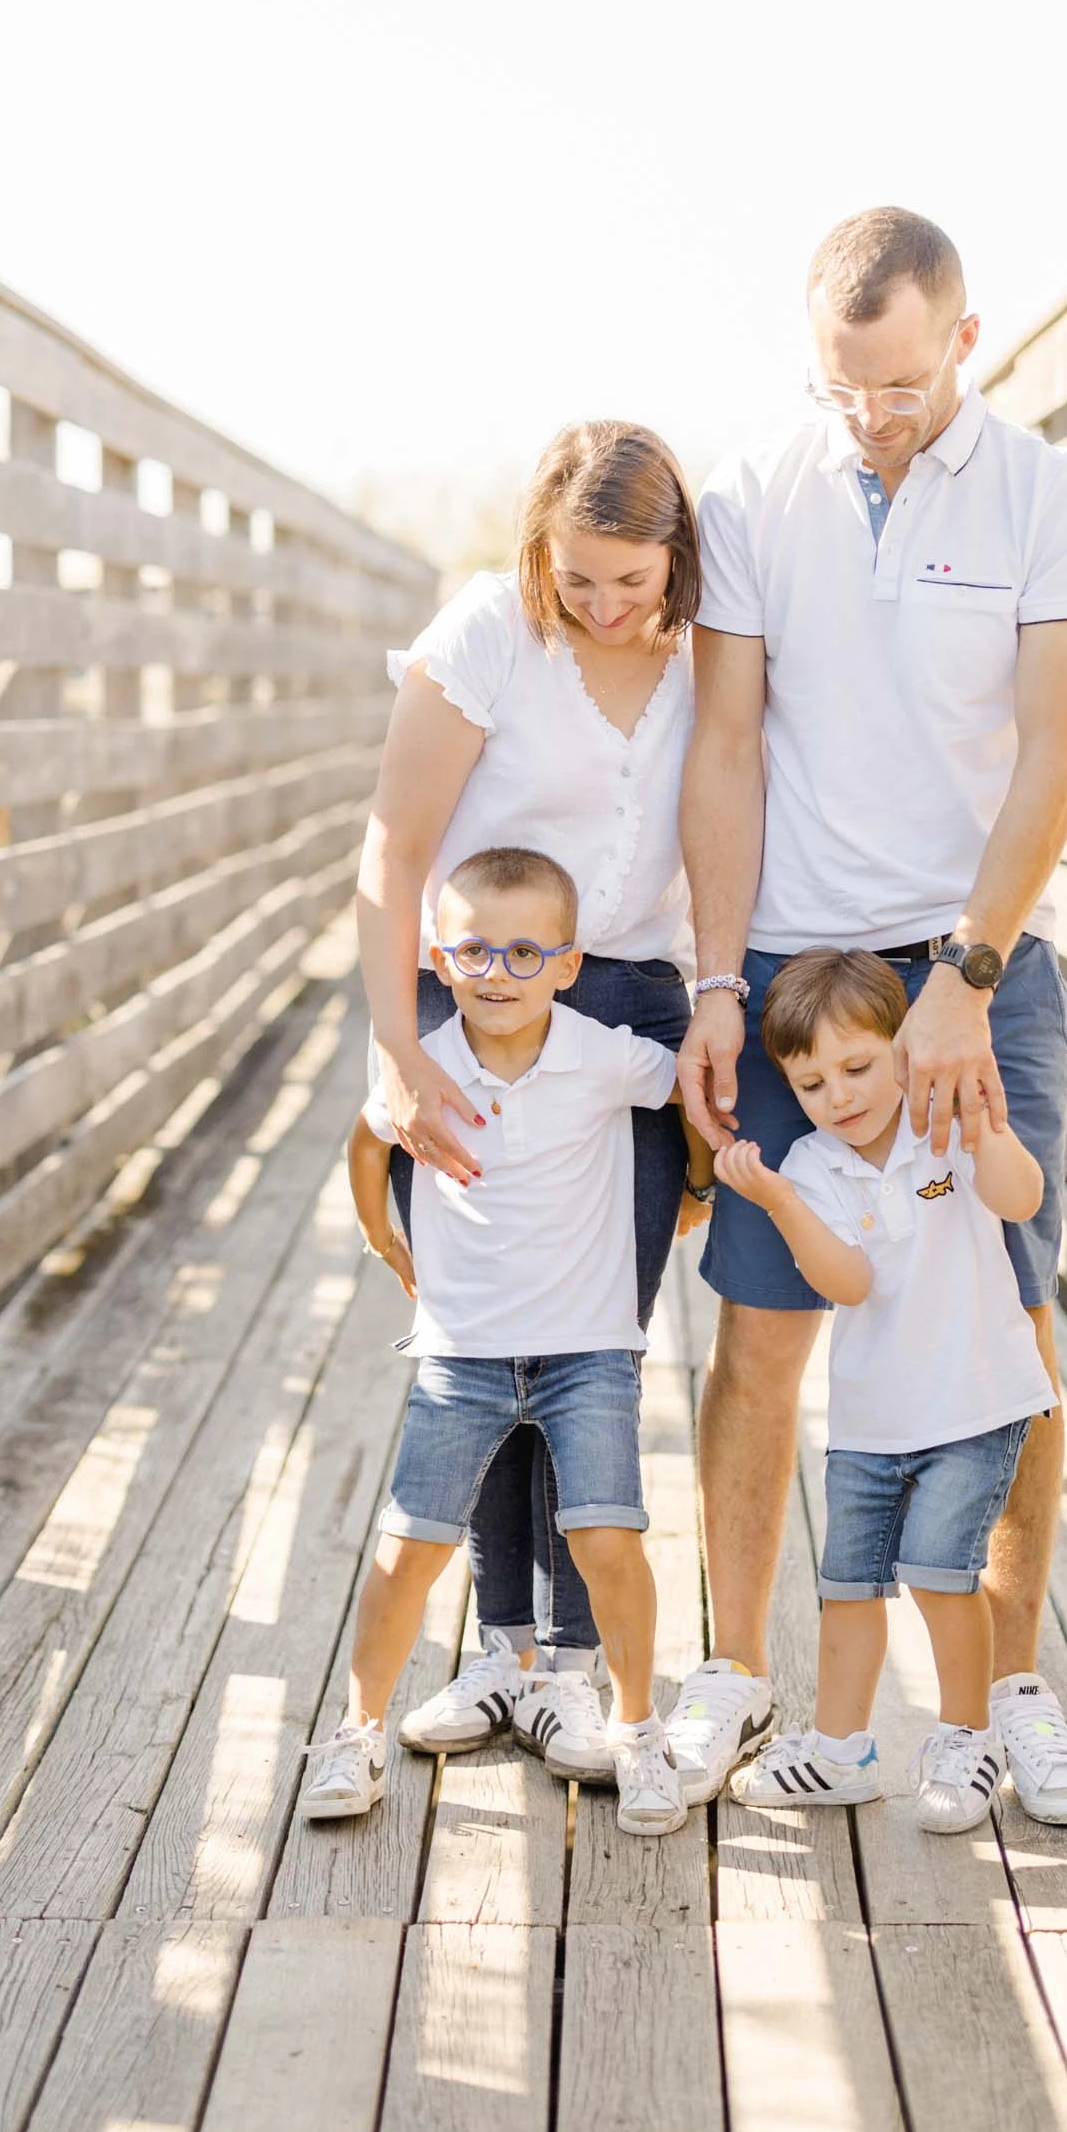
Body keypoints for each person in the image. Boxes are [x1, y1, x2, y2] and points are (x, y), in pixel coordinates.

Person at [671, 206, 1067, 1822]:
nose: (871, 416)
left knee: (1005, 1335)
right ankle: (737, 1674)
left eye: (902, 385)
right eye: (842, 386)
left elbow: (1055, 757)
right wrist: (713, 983)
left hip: (973, 966)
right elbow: (725, 749)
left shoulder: (1048, 498)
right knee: (761, 1336)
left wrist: (965, 976)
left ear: (966, 340)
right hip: (791, 975)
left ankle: (1010, 1701)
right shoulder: (752, 494)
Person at [354, 420, 708, 1784]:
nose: (607, 606)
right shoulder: (492, 631)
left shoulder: (714, 648)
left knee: (588, 1340)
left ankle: (570, 1666)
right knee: (486, 1322)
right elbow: (394, 848)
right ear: (538, 556)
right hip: (483, 998)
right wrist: (400, 1046)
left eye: (634, 580)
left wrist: (721, 998)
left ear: (677, 555)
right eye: (580, 580)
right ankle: (499, 1651)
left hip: (632, 1013)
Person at [304, 846, 686, 1838]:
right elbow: (368, 1140)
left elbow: (689, 1091)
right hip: (461, 1356)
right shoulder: (425, 1064)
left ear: (568, 964)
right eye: (473, 952)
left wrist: (696, 1193)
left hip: (586, 1352)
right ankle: (355, 1732)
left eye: (527, 953)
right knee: (407, 1548)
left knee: (607, 1537)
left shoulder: (601, 1054)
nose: (499, 974)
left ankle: (638, 1731)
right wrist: (384, 1238)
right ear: (440, 958)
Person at [711, 952, 1053, 1827]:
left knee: (941, 1575)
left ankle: (968, 1738)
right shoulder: (812, 1166)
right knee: (848, 1587)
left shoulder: (944, 1121)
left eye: (858, 1067)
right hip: (870, 1420)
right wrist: (781, 1203)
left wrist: (983, 1126)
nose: (840, 1096)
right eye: (812, 1083)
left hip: (973, 1404)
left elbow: (1020, 1200)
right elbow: (849, 1283)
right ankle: (840, 1751)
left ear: (903, 1049)